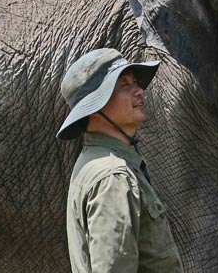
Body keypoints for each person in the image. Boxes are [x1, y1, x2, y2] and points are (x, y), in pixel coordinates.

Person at [57, 48, 183, 272]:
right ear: (94, 108)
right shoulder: (112, 177)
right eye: (124, 85)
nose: (140, 91)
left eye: (136, 82)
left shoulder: (92, 161)